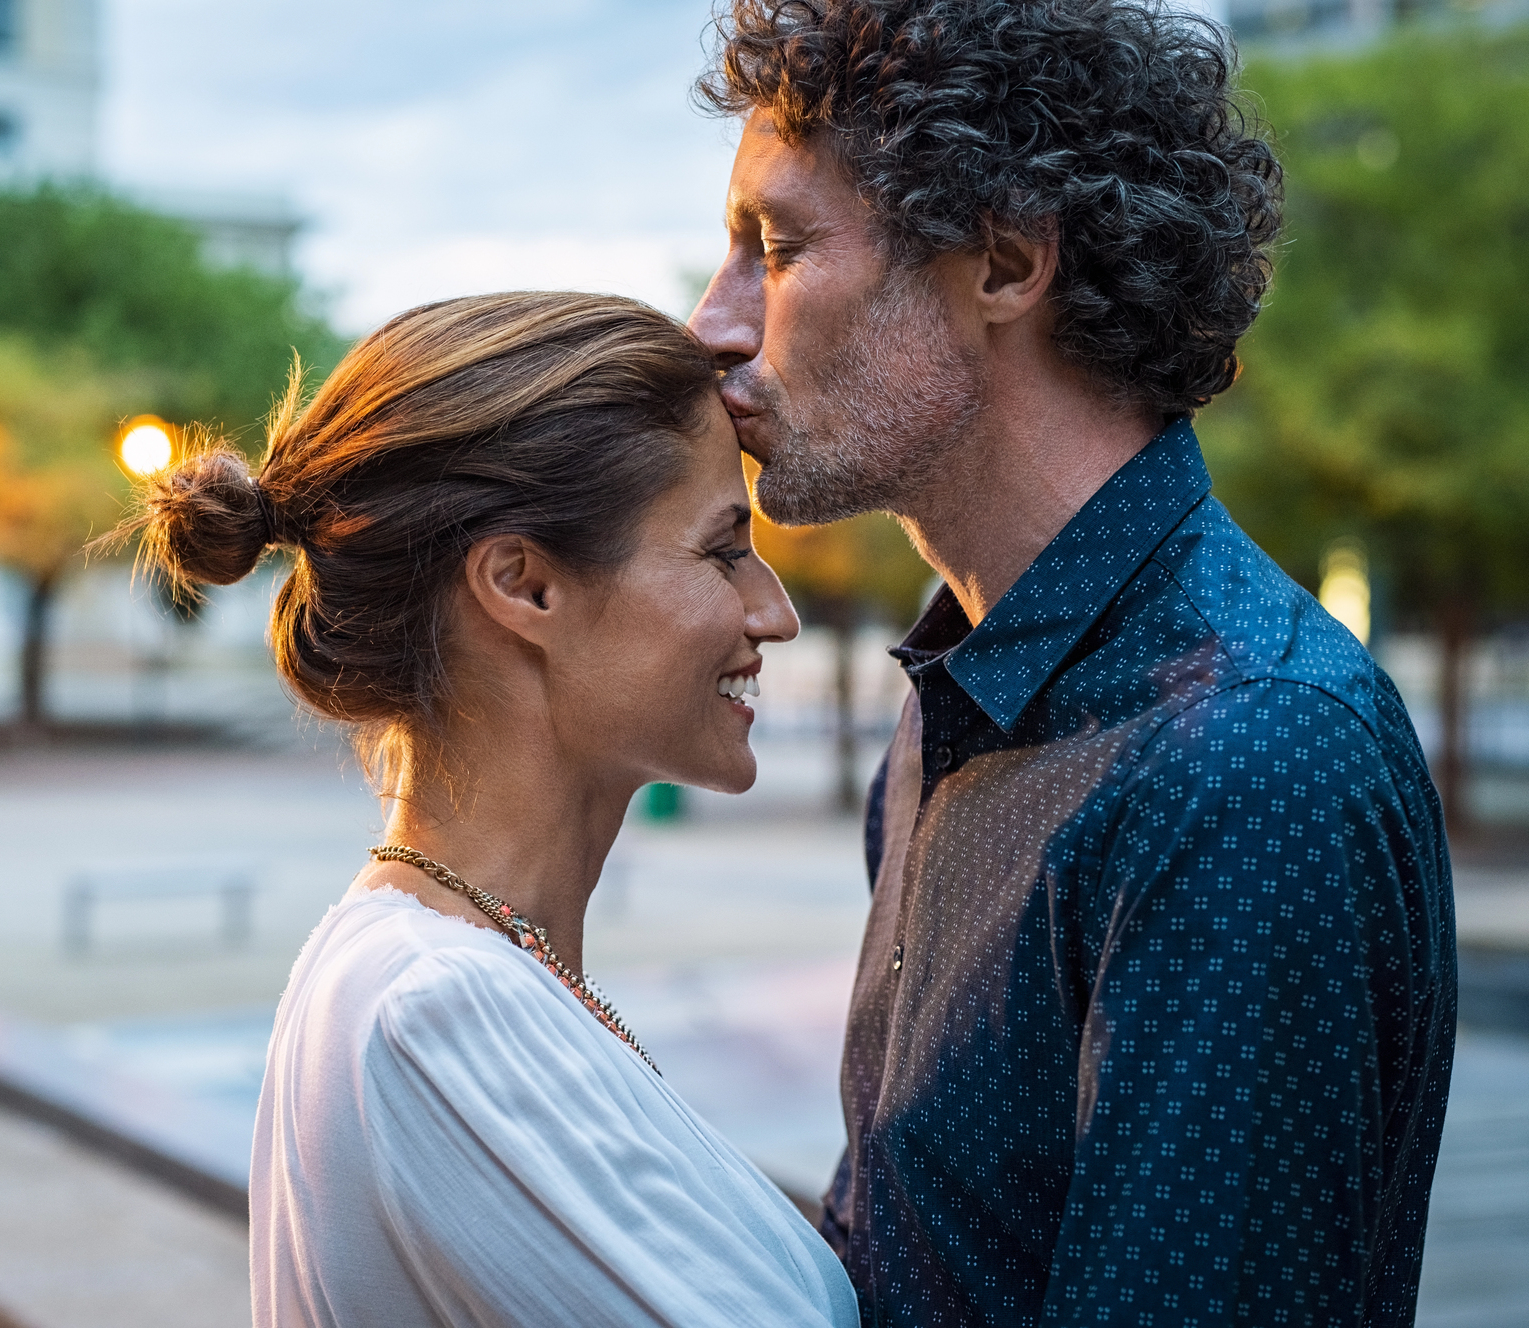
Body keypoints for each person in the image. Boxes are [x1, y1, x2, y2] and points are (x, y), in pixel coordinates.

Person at [688, 1, 1456, 1324]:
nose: (714, 322)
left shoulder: (1248, 758)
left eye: (779, 245)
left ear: (1002, 263)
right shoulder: (955, 709)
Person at [120, 292, 858, 1327]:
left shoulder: (433, 976)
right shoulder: (435, 1012)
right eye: (721, 548)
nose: (770, 609)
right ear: (523, 585)